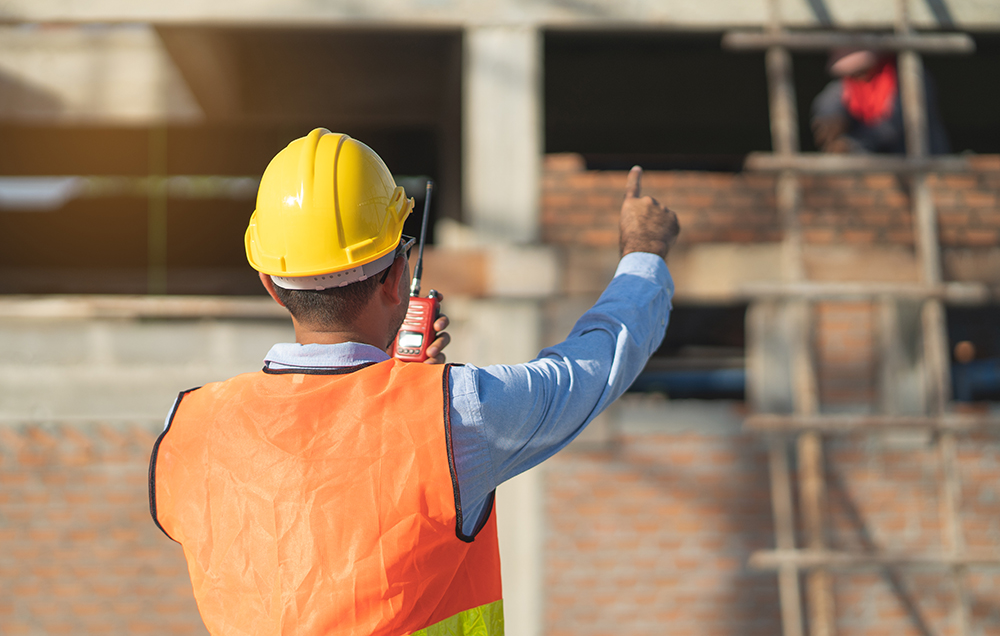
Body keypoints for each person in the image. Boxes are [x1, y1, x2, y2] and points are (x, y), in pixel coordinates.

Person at [148, 128, 679, 636]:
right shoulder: (454, 415)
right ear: (398, 276)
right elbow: (591, 369)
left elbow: (299, 521)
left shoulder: (190, 426)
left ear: (269, 283)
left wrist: (396, 387)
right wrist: (644, 254)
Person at [811, 48, 950, 155]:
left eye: (860, 69)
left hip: (921, 162)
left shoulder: (910, 80)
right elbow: (829, 101)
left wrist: (851, 145)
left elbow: (893, 127)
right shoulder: (849, 84)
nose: (855, 76)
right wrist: (827, 119)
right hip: (871, 170)